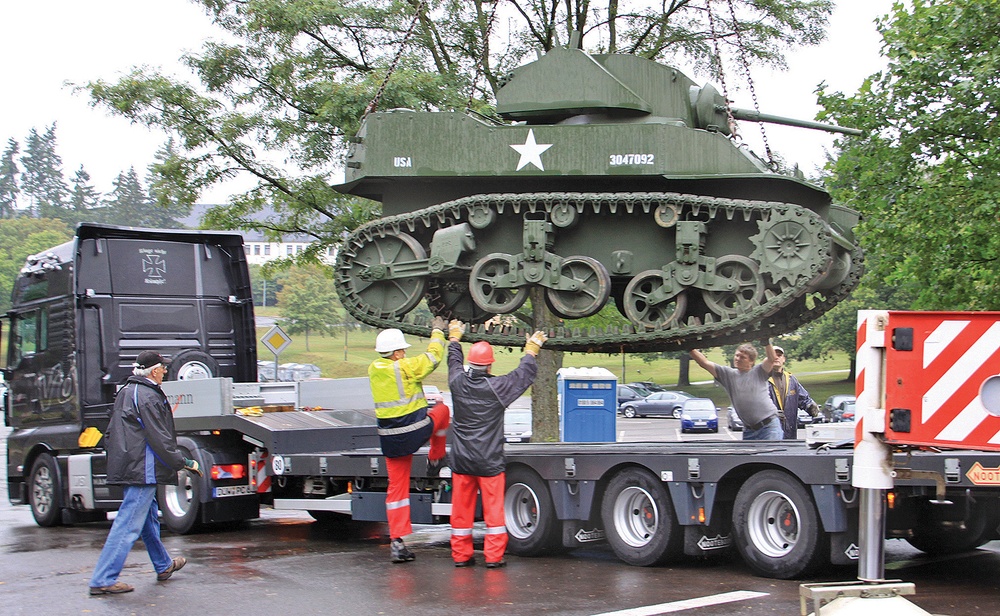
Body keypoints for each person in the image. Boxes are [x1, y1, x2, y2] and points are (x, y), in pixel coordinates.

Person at [89, 350, 200, 595]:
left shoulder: (127, 391)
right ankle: (103, 578)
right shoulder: (148, 395)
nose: (166, 371)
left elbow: (111, 433)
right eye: (163, 368)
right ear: (153, 370)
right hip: (143, 469)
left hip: (132, 464)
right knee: (129, 522)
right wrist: (183, 462)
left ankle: (163, 565)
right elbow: (159, 438)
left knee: (148, 519)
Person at [446, 320, 546, 569]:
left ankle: (461, 556)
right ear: (490, 365)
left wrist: (455, 339)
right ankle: (493, 557)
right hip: (488, 461)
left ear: (471, 363)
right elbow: (522, 376)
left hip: (462, 460)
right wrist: (531, 351)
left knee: (461, 513)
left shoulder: (458, 383)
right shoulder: (497, 388)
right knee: (493, 513)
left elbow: (453, 364)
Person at [368, 318, 451, 563]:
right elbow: (433, 357)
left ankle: (397, 542)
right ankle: (436, 458)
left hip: (391, 440)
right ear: (394, 354)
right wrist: (438, 331)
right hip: (415, 430)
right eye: (402, 350)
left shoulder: (374, 369)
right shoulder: (403, 367)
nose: (404, 353)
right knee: (443, 410)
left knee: (397, 490)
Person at [689, 340, 782, 440]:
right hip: (749, 430)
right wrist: (689, 348)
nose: (738, 359)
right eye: (737, 355)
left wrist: (766, 341)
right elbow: (704, 363)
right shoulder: (728, 374)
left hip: (768, 427)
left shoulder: (759, 371)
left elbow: (771, 359)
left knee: (771, 455)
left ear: (751, 361)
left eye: (742, 357)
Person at [767, 346, 821, 439]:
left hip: (790, 433)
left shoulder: (791, 380)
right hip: (769, 433)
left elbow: (804, 400)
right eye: (773, 355)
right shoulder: (761, 380)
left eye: (779, 355)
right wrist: (772, 414)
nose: (776, 357)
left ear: (784, 359)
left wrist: (811, 406)